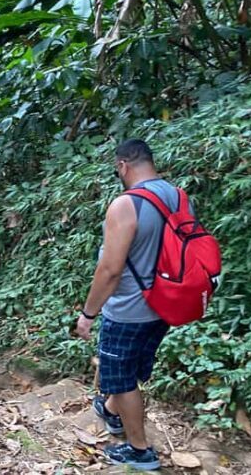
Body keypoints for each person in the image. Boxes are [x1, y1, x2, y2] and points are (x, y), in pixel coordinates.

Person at [76, 139, 179, 471]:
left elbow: (110, 269)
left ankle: (139, 449)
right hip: (163, 304)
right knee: (131, 369)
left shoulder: (126, 204)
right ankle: (110, 411)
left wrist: (88, 314)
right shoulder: (176, 196)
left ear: (123, 165)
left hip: (128, 309)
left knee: (119, 379)